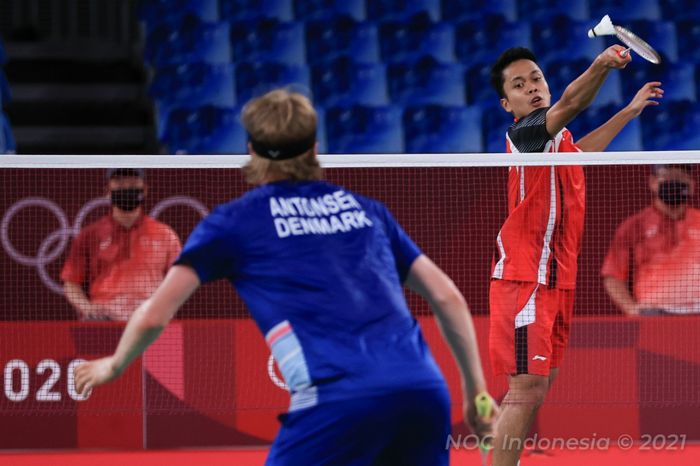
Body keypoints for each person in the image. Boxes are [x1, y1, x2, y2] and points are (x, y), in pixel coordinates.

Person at [75, 89, 496, 465]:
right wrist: (476, 394)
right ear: (315, 148)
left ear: (251, 150)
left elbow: (153, 315)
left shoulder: (234, 222)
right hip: (421, 391)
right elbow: (447, 298)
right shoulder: (367, 211)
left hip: (337, 401)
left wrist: (113, 366)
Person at [488, 46, 663, 465]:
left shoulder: (558, 141)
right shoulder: (526, 134)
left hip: (558, 279)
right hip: (526, 277)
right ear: (506, 103)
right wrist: (602, 65)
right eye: (519, 85)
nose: (532, 88)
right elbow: (572, 102)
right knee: (525, 390)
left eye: (536, 79)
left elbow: (581, 155)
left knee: (540, 385)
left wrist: (628, 112)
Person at [61, 168, 182, 321]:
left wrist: (163, 308)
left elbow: (181, 281)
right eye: (119, 181)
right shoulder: (89, 235)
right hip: (104, 322)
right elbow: (71, 284)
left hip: (153, 322)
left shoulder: (165, 235)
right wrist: (88, 308)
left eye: (132, 181)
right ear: (108, 190)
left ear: (144, 189)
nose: (126, 186)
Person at [602, 164, 700, 316]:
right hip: (654, 317)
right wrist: (631, 309)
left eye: (681, 177)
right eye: (668, 176)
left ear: (692, 185)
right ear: (653, 182)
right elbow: (613, 275)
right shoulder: (634, 226)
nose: (674, 181)